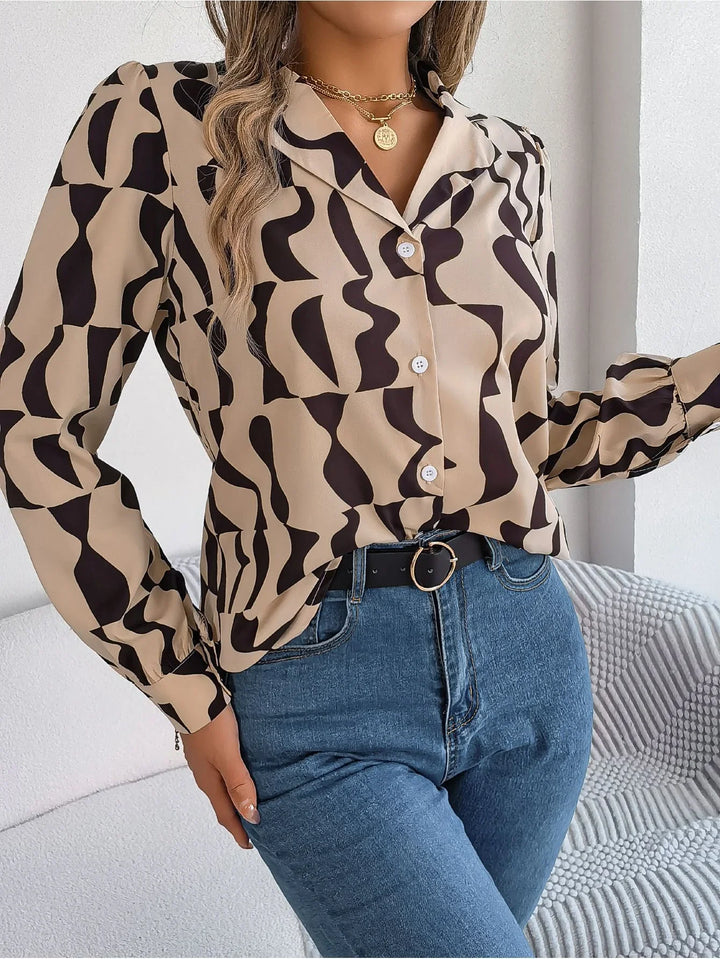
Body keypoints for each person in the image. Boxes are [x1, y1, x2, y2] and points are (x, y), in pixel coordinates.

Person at [1, 1, 719, 955]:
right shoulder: (163, 125)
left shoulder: (509, 162)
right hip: (312, 688)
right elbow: (37, 421)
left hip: (529, 663)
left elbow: (533, 432)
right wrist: (186, 686)